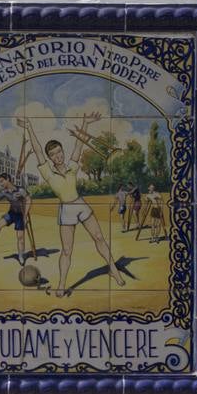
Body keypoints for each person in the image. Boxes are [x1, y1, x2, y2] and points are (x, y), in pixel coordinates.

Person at [17, 114, 126, 296]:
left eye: (59, 152)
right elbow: (37, 150)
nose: (57, 156)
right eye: (53, 154)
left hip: (81, 206)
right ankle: (62, 284)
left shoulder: (72, 167)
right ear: (50, 158)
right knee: (67, 250)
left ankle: (113, 270)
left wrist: (85, 123)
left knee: (99, 237)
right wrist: (29, 127)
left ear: (62, 152)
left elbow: (79, 144)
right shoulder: (47, 173)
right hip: (66, 211)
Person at [0, 173, 31, 266]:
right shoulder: (4, 192)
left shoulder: (20, 189)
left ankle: (21, 256)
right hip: (11, 213)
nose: (1, 184)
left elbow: (28, 200)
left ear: (8, 179)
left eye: (2, 181)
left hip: (20, 215)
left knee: (20, 237)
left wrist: (25, 216)